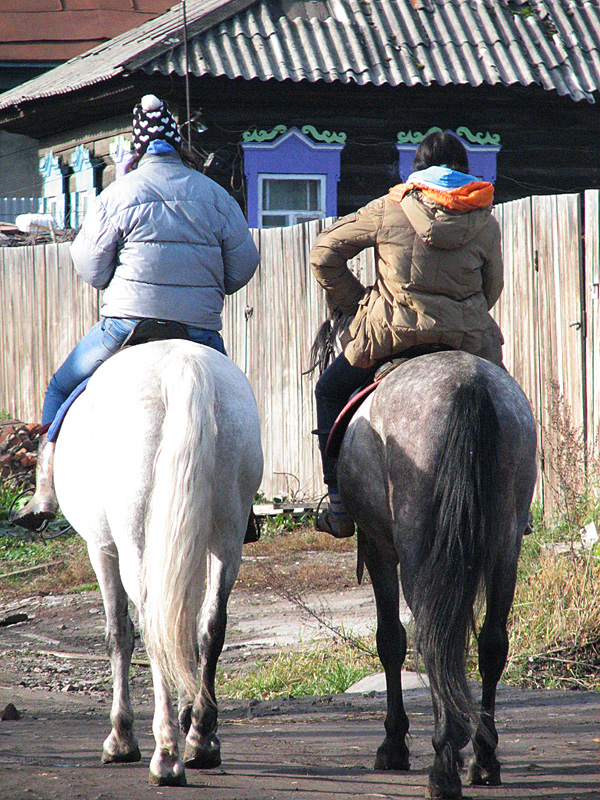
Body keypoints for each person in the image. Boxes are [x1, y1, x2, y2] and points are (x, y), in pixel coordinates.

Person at [13, 94, 260, 531]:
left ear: (138, 147)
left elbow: (90, 267)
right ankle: (242, 506)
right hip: (198, 331)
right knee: (234, 402)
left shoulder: (117, 194)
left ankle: (45, 491)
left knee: (59, 386)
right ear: (180, 145)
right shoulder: (217, 196)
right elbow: (242, 268)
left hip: (125, 327)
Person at [310, 130, 504, 538]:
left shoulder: (389, 208)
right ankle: (513, 510)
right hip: (467, 338)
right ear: (464, 170)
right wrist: (462, 314)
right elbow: (493, 290)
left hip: (388, 336)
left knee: (328, 391)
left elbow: (324, 253)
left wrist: (358, 303)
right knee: (509, 405)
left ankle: (340, 504)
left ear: (416, 168)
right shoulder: (484, 219)